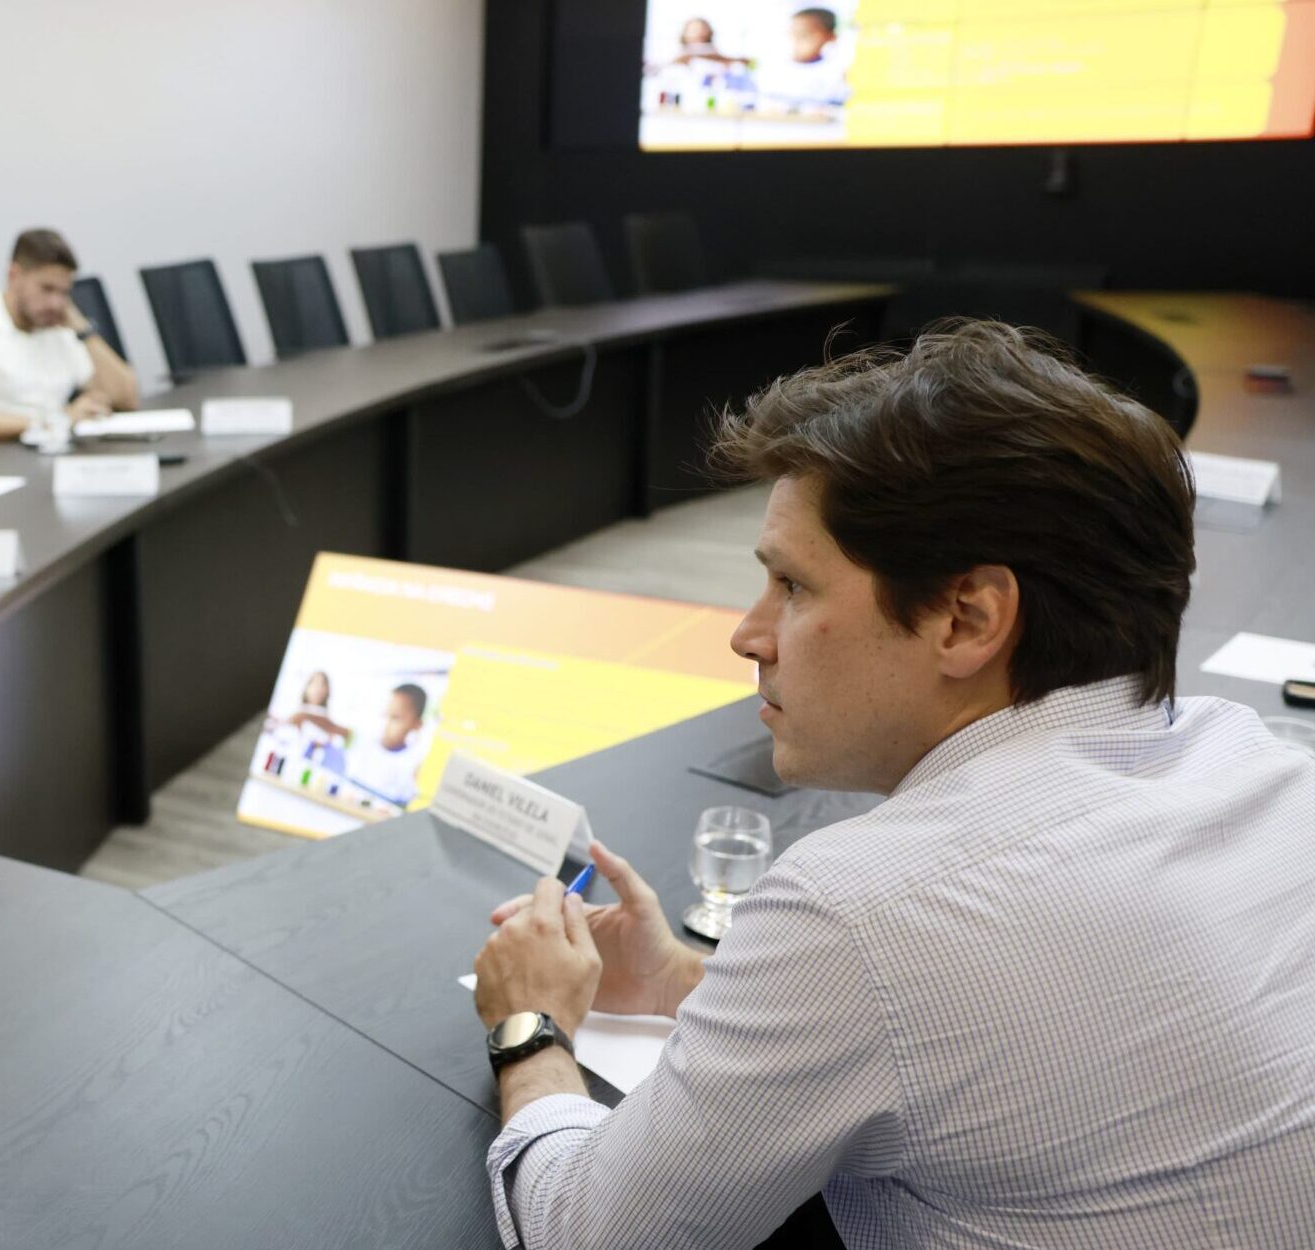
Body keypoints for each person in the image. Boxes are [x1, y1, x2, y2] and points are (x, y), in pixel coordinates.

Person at [469, 321, 1315, 1248]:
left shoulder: (859, 910)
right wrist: (684, 982)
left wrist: (531, 1022)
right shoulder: (1264, 766)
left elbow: (588, 1231)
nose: (749, 635)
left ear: (968, 619)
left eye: (793, 587)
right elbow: (1009, 1016)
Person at [0, 228, 140, 444]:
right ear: (14, 275)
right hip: (6, 455)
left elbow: (126, 398)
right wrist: (60, 420)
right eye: (47, 289)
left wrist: (82, 329)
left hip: (60, 447)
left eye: (64, 292)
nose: (56, 303)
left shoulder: (59, 326)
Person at [340, 683, 429, 806]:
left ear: (417, 725)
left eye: (396, 718)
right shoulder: (363, 744)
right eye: (385, 714)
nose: (386, 723)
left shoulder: (411, 767)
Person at [754, 8, 849, 111]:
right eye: (793, 33)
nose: (796, 40)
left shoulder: (839, 74)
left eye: (805, 34)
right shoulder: (772, 69)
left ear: (831, 37)